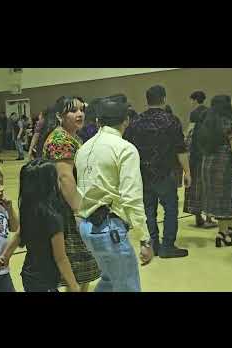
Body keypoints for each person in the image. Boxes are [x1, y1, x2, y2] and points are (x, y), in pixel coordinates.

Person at [75, 98, 153, 292]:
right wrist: (144, 238)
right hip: (110, 230)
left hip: (86, 227)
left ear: (98, 121)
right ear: (126, 120)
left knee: (109, 280)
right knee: (127, 286)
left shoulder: (83, 149)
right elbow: (131, 197)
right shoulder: (125, 149)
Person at [41, 96, 100, 291]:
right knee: (74, 272)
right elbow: (64, 178)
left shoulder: (74, 137)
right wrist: (79, 212)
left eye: (82, 109)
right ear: (60, 116)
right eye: (73, 111)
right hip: (66, 213)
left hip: (74, 207)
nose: (80, 113)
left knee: (83, 272)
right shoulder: (60, 139)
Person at [124, 85, 190, 258]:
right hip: (165, 173)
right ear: (164, 98)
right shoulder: (171, 120)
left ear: (147, 100)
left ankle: (153, 244)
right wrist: (187, 172)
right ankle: (168, 245)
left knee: (148, 211)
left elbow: (127, 148)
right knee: (170, 209)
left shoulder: (136, 122)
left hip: (143, 174)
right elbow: (180, 149)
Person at [3, 159, 80, 292]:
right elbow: (60, 258)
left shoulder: (29, 209)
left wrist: (5, 256)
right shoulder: (54, 218)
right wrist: (74, 285)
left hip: (29, 274)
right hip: (46, 280)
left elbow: (19, 235)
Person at [199, 95, 232, 247]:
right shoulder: (230, 122)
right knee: (226, 197)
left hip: (208, 164)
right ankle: (223, 233)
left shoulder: (208, 122)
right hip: (224, 165)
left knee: (216, 197)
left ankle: (229, 226)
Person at [183, 91, 217, 228]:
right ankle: (209, 218)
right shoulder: (210, 112)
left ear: (195, 100)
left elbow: (189, 133)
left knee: (195, 185)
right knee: (208, 185)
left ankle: (198, 217)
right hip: (208, 153)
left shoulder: (194, 113)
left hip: (196, 154)